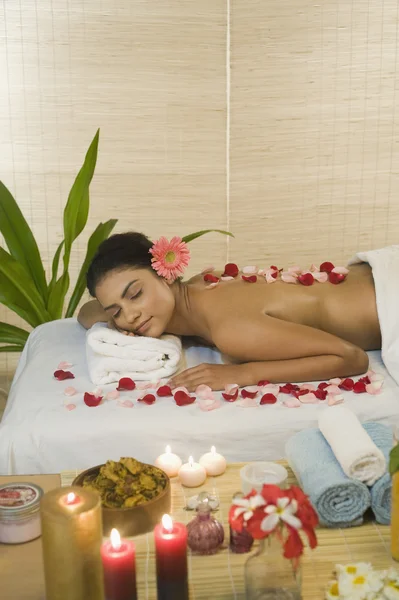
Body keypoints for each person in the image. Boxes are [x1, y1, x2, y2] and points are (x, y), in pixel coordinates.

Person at [79, 232, 379, 391]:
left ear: (167, 273)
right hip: (368, 276)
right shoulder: (201, 284)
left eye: (135, 294)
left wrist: (244, 373)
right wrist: (117, 307)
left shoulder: (229, 329)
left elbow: (351, 358)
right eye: (116, 312)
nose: (128, 316)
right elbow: (86, 313)